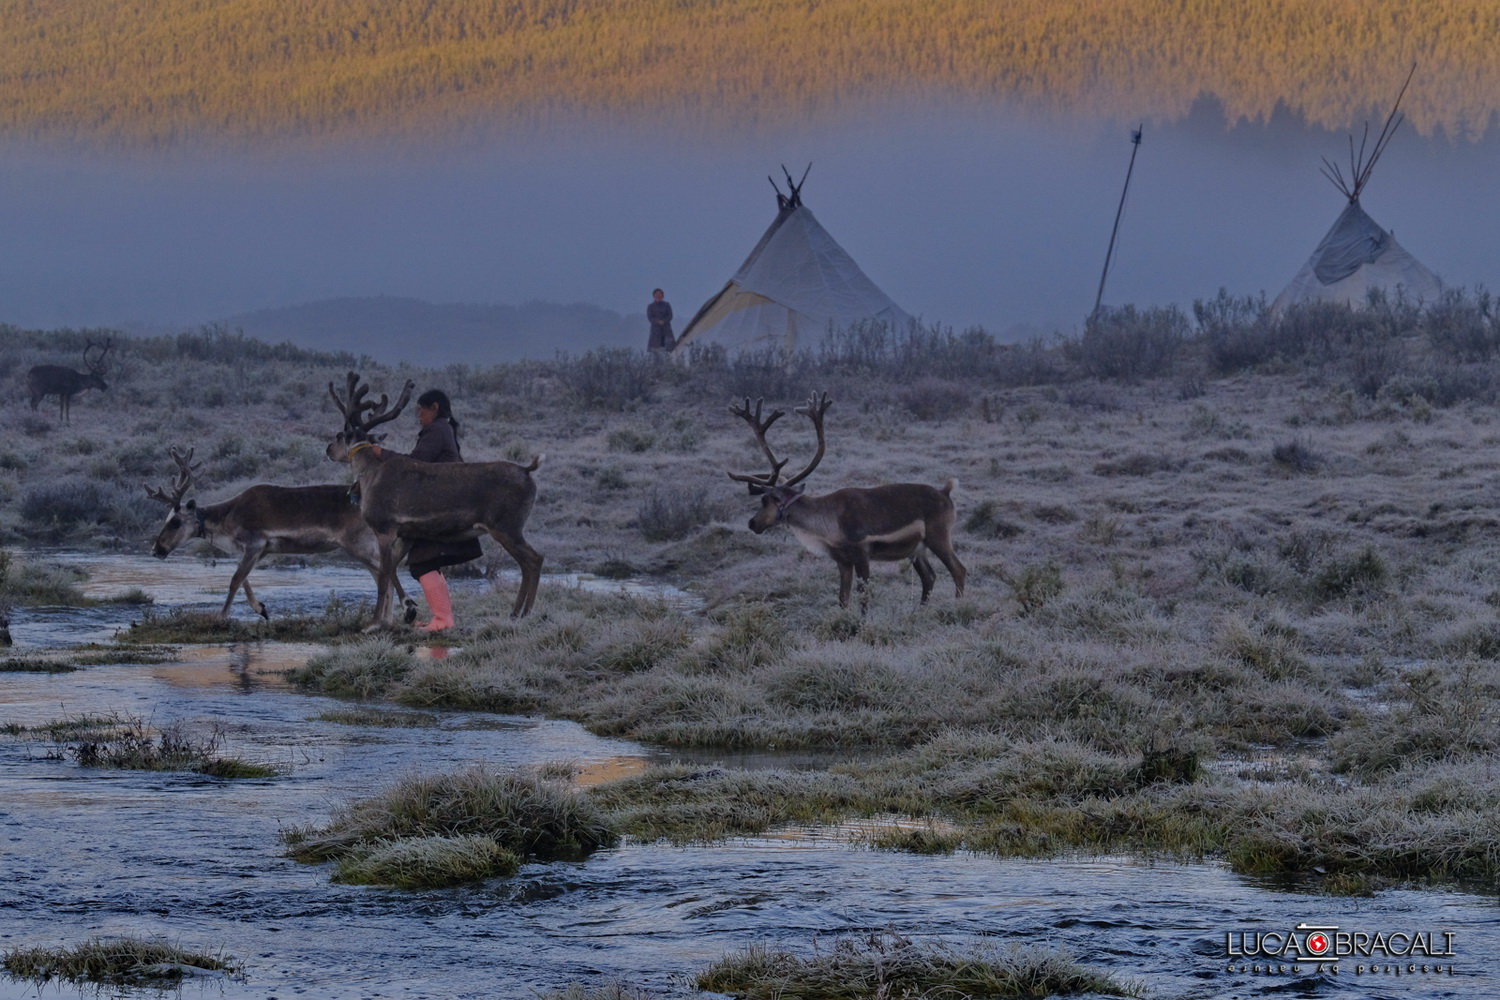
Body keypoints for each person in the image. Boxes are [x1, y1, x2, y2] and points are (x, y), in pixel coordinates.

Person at [372, 389, 482, 631]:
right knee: (427, 561)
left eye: (420, 409)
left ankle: (443, 621)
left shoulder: (437, 429)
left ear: (434, 407)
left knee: (423, 562)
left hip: (436, 508)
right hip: (444, 504)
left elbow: (415, 463)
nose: (418, 415)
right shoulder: (445, 429)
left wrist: (382, 454)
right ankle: (442, 618)